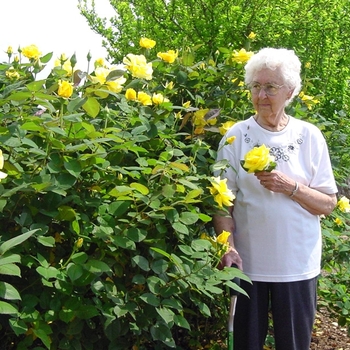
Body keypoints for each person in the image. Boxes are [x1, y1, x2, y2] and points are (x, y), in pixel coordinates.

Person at [213, 47, 338, 350]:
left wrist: (290, 187)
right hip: (248, 264)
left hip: (297, 264)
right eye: (255, 86)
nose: (261, 95)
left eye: (270, 87)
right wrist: (227, 247)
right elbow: (221, 202)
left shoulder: (309, 136)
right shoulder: (235, 137)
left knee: (293, 345)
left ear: (290, 91)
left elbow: (328, 203)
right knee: (246, 344)